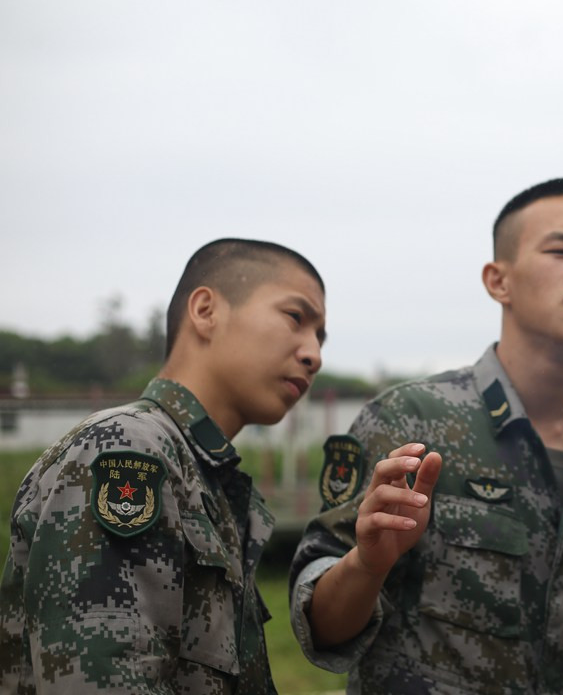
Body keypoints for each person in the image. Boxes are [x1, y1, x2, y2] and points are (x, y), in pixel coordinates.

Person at [289, 179, 563, 694]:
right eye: (561, 250)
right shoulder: (413, 421)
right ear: (499, 281)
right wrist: (368, 565)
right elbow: (321, 627)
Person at [0, 238, 327, 694]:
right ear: (206, 310)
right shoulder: (126, 453)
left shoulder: (203, 472)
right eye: (295, 318)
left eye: (320, 337)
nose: (314, 354)